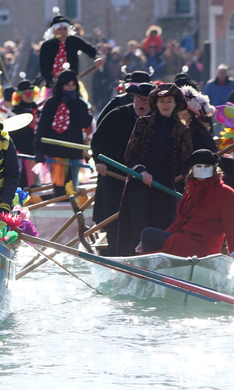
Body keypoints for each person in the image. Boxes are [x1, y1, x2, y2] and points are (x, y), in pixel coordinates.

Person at [114, 83, 192, 257]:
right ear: (156, 104)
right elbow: (130, 154)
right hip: (138, 184)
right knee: (138, 228)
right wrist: (142, 171)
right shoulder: (143, 123)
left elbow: (186, 164)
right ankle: (133, 266)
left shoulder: (182, 130)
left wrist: (190, 189)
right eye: (162, 101)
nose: (165, 104)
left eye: (169, 101)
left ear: (175, 104)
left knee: (160, 229)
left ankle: (156, 268)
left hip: (164, 189)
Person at [91, 81, 153, 256]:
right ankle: (114, 254)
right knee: (114, 217)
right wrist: (99, 161)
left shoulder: (155, 121)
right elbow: (97, 140)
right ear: (134, 98)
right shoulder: (116, 115)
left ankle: (134, 255)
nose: (142, 104)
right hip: (112, 175)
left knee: (138, 217)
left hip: (140, 179)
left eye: (147, 101)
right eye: (140, 99)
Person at [138, 150, 234, 257]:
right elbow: (181, 222)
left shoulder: (225, 192)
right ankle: (155, 269)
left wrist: (233, 252)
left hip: (204, 246)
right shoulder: (190, 189)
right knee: (148, 237)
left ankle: (153, 270)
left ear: (214, 169)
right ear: (192, 169)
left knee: (147, 234)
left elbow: (231, 226)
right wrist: (162, 237)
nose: (202, 170)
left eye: (207, 166)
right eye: (198, 166)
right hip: (186, 241)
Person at [34, 69, 93, 197]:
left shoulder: (80, 104)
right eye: (67, 85)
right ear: (61, 86)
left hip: (73, 153)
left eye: (73, 85)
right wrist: (38, 150)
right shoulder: (51, 102)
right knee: (59, 191)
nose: (70, 88)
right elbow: (42, 127)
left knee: (71, 190)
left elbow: (85, 123)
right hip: (55, 154)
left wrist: (71, 104)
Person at [39, 13, 103, 89]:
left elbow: (93, 50)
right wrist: (54, 83)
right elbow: (43, 68)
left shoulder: (74, 40)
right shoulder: (47, 45)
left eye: (64, 29)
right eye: (59, 29)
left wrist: (98, 58)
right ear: (54, 32)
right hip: (52, 87)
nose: (62, 32)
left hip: (72, 86)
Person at [8, 79, 39, 187]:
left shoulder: (36, 109)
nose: (28, 95)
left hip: (36, 152)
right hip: (21, 153)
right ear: (19, 95)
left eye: (30, 91)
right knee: (23, 182)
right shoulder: (14, 112)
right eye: (25, 93)